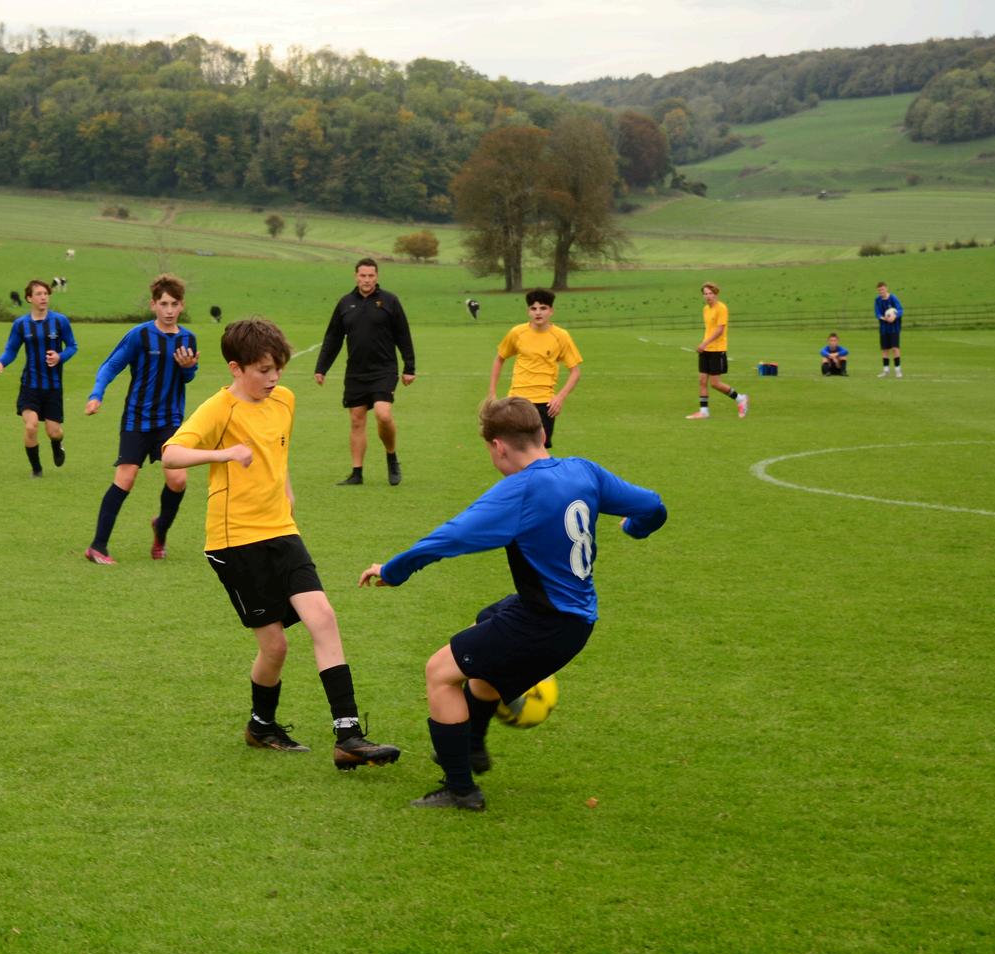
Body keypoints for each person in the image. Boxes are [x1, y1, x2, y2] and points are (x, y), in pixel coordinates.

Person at [358, 397, 667, 810]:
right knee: (486, 623)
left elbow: (451, 537)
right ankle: (471, 745)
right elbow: (652, 506)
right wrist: (635, 528)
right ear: (540, 434)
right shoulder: (584, 471)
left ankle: (461, 791)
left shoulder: (519, 491)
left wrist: (393, 570)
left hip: (545, 624)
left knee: (439, 673)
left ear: (498, 446)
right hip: (570, 618)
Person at [162, 316, 401, 770]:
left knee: (323, 617)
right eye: (264, 370)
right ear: (236, 368)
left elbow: (278, 451)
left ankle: (348, 736)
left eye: (278, 368)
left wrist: (285, 489)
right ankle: (261, 725)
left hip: (281, 531)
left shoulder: (285, 400)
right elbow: (171, 454)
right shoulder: (219, 409)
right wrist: (224, 453)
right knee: (275, 648)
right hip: (234, 541)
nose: (274, 378)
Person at [83, 274, 199, 564]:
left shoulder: (188, 339)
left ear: (182, 305)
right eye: (164, 304)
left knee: (178, 479)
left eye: (174, 304)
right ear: (153, 305)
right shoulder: (140, 335)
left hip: (170, 420)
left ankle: (161, 530)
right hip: (137, 419)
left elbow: (188, 377)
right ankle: (98, 547)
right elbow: (111, 365)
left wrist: (187, 368)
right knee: (126, 478)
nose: (169, 310)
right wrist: (97, 394)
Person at [313, 258, 416, 486]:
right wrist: (321, 368)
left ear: (377, 277)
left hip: (384, 369)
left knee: (383, 414)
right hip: (356, 372)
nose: (366, 280)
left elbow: (403, 334)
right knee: (357, 420)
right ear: (356, 276)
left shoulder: (389, 301)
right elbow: (333, 338)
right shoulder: (345, 303)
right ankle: (356, 473)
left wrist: (409, 367)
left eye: (371, 276)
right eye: (362, 275)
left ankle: (391, 457)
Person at [0, 279, 78, 478]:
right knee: (31, 426)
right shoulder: (21, 324)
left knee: (54, 431)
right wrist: (0, 362)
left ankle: (57, 444)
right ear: (29, 298)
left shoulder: (60, 321)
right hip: (30, 385)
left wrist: (60, 357)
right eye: (38, 294)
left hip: (53, 386)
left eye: (46, 293)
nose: (43, 297)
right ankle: (36, 469)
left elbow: (72, 346)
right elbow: (11, 350)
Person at [487, 288, 583, 447]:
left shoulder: (561, 336)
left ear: (551, 311)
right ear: (528, 311)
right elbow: (499, 359)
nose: (538, 312)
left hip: (545, 404)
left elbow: (575, 372)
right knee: (515, 448)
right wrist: (492, 392)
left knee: (539, 451)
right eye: (533, 308)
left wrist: (560, 398)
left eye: (543, 308)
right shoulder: (517, 333)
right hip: (517, 401)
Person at [686, 281, 747, 420]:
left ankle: (741, 398)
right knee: (702, 380)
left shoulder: (722, 308)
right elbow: (709, 329)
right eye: (705, 294)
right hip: (706, 349)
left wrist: (704, 343)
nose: (708, 296)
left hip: (717, 350)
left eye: (710, 293)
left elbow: (720, 330)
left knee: (715, 383)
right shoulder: (705, 309)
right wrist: (704, 345)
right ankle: (704, 412)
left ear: (716, 294)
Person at [875, 282, 904, 378]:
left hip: (894, 328)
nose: (881, 291)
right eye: (879, 290)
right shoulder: (877, 300)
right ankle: (886, 371)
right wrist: (884, 318)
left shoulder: (893, 298)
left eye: (882, 289)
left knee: (895, 348)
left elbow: (900, 310)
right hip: (884, 328)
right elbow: (877, 313)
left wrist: (894, 316)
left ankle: (898, 370)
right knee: (885, 349)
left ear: (886, 289)